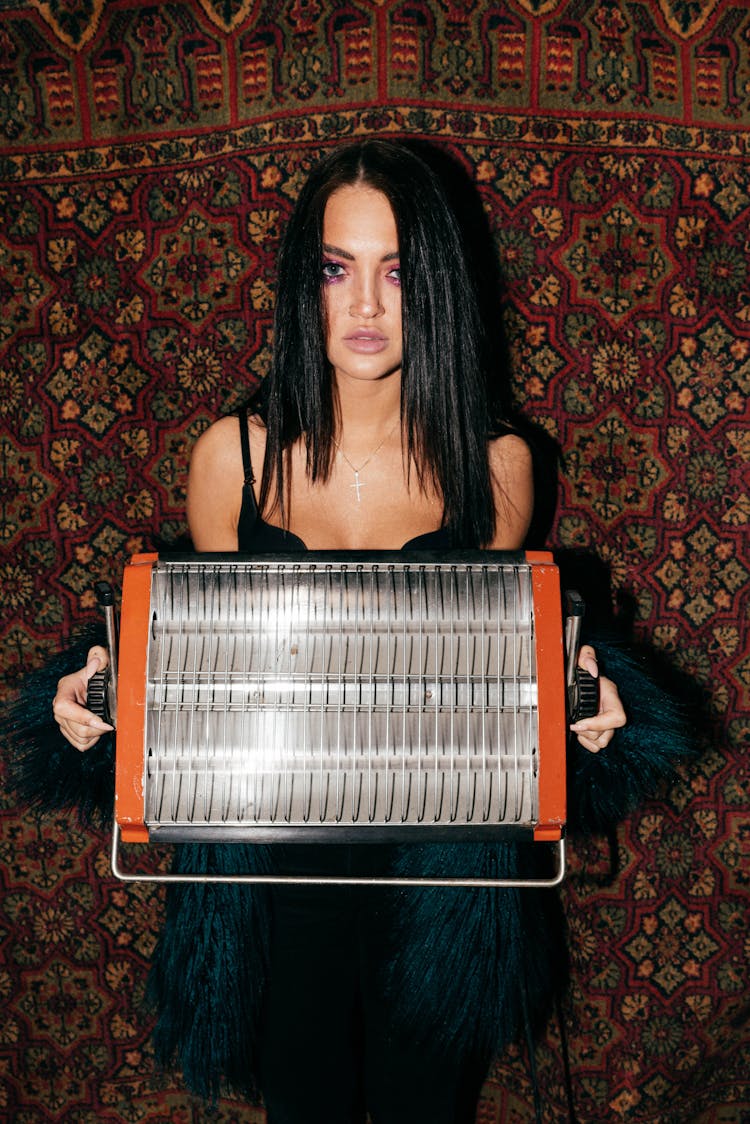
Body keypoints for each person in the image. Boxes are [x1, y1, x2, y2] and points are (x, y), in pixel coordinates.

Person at [44, 140, 684, 1124]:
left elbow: (492, 686)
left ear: (438, 287)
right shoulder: (234, 457)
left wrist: (585, 709)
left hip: (437, 875)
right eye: (338, 270)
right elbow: (196, 669)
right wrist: (99, 695)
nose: (368, 306)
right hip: (274, 873)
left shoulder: (500, 465)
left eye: (397, 271)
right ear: (306, 285)